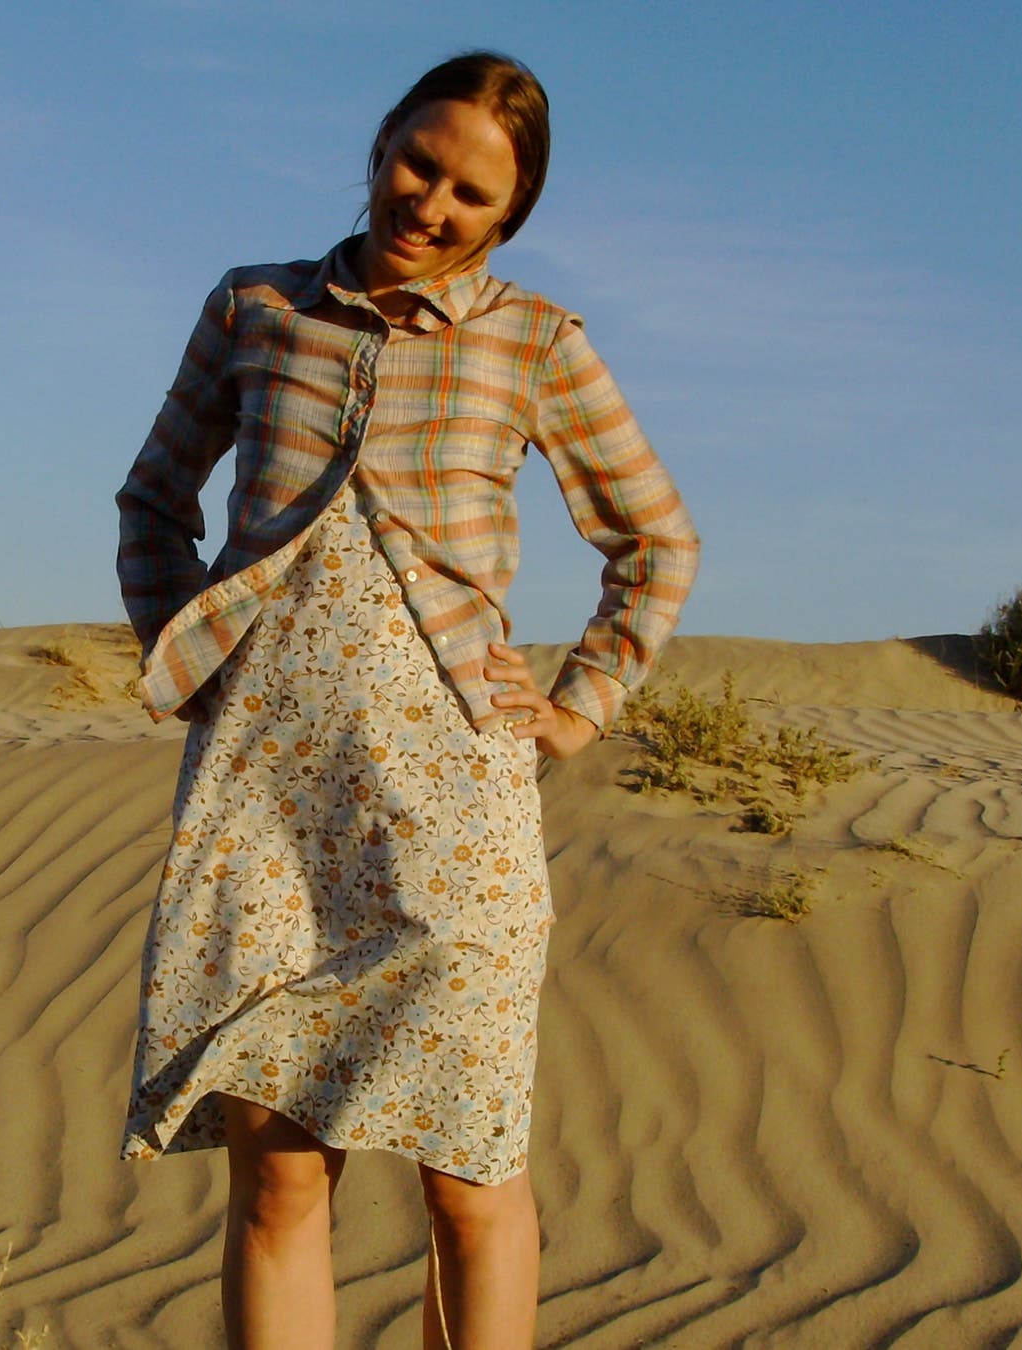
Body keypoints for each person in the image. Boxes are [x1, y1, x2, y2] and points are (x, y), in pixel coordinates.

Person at [114, 51, 698, 1350]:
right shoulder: (255, 307)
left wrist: (574, 706)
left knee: (467, 1169)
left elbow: (656, 542)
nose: (430, 203)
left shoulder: (537, 342)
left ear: (509, 217)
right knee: (275, 1170)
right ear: (381, 144)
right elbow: (154, 497)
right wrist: (190, 654)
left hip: (455, 809)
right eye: (419, 163)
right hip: (261, 801)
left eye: (471, 194)